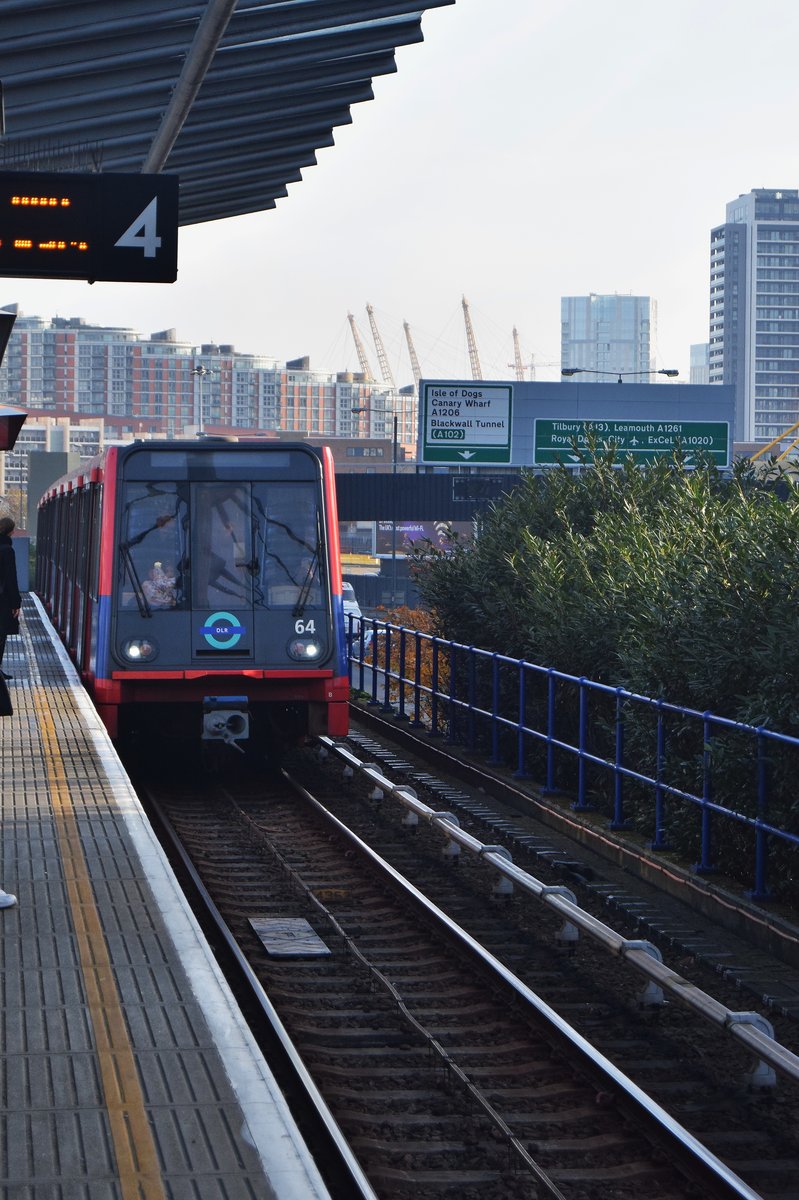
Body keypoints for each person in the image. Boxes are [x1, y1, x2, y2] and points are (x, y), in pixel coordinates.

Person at [0, 514, 21, 681]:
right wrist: (16, 603)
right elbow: (11, 578)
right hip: (2, 600)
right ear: (11, 532)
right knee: (1, 635)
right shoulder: (7, 551)